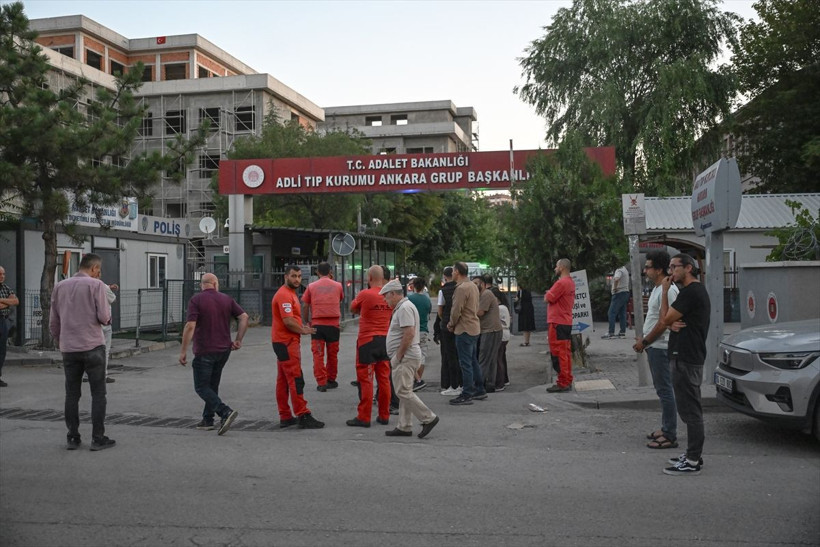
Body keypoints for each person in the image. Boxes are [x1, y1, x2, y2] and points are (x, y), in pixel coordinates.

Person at [640, 253, 710, 476]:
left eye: (674, 267)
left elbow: (665, 320)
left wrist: (668, 321)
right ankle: (691, 455)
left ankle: (692, 459)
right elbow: (666, 319)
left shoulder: (692, 292)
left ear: (688, 268)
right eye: (669, 267)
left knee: (691, 412)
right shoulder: (687, 292)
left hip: (687, 356)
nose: (670, 272)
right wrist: (668, 318)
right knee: (688, 409)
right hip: (682, 355)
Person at [49, 253, 114, 451]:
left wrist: (61, 340)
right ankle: (97, 437)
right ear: (94, 268)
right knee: (98, 393)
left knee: (71, 393)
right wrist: (107, 319)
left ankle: (73, 437)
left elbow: (54, 321)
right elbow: (104, 317)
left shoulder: (59, 286)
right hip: (93, 345)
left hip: (69, 348)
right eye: (98, 270)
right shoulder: (97, 286)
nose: (98, 273)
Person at [179, 273, 248, 435]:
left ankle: (225, 412)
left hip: (205, 350)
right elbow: (244, 317)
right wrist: (238, 339)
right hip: (224, 350)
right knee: (212, 386)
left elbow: (190, 326)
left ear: (201, 285)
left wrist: (183, 350)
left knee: (202, 387)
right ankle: (207, 419)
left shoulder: (196, 300)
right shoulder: (226, 299)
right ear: (215, 284)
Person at [380, 279, 440, 438]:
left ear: (393, 294)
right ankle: (404, 426)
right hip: (409, 355)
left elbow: (409, 334)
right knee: (404, 390)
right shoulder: (405, 306)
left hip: (405, 356)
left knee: (402, 391)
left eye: (386, 297)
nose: (385, 301)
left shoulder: (404, 308)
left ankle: (428, 418)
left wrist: (398, 356)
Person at [632, 251, 679, 449]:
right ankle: (666, 427)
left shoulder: (668, 290)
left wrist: (645, 341)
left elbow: (664, 322)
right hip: (654, 345)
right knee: (662, 390)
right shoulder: (659, 289)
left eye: (648, 267)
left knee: (665, 390)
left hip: (660, 346)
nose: (645, 271)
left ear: (659, 269)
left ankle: (669, 433)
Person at [272, 265, 324, 429]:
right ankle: (303, 414)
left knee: (283, 381)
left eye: (299, 276)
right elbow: (288, 321)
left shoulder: (290, 293)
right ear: (286, 276)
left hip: (283, 342)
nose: (297, 279)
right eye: (293, 276)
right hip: (286, 343)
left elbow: (290, 318)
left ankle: (285, 415)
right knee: (295, 379)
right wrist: (303, 330)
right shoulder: (284, 295)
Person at [347, 265, 393, 427]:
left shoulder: (364, 294)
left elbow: (352, 308)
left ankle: (364, 417)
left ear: (369, 278)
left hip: (367, 341)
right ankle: (384, 415)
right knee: (384, 380)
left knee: (366, 380)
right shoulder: (389, 295)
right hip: (385, 341)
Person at [301, 262, 344, 392]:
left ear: (318, 272)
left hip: (317, 325)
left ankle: (321, 382)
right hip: (333, 325)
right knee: (333, 354)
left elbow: (305, 305)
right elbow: (340, 299)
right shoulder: (338, 286)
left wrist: (307, 321)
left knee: (318, 354)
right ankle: (331, 379)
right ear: (330, 271)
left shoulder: (311, 286)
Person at [447, 261, 485, 405]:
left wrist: (451, 324)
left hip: (464, 329)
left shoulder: (461, 288)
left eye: (452, 271)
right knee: (473, 360)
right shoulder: (473, 286)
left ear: (456, 271)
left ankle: (467, 393)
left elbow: (456, 310)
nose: (452, 273)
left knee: (465, 363)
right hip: (474, 327)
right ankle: (480, 388)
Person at [545, 258, 575, 393]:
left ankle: (562, 382)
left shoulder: (561, 283)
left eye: (556, 266)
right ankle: (567, 379)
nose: (555, 269)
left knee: (558, 353)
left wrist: (548, 293)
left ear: (562, 267)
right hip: (566, 321)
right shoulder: (570, 282)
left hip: (557, 322)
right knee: (566, 352)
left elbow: (548, 298)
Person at [475, 273, 502, 392]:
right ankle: (490, 384)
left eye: (476, 283)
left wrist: (466, 312)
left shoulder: (486, 294)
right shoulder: (481, 294)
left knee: (484, 358)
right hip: (491, 329)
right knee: (490, 359)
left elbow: (480, 312)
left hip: (490, 330)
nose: (474, 286)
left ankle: (478, 386)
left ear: (483, 284)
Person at [437, 267, 462, 396]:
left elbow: (440, 311)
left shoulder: (443, 291)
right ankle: (462, 383)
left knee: (450, 356)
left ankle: (453, 384)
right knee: (461, 355)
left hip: (446, 326)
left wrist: (445, 320)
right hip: (461, 325)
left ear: (445, 276)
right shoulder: (460, 288)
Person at [407, 276, 431, 391]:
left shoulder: (409, 299)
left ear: (413, 286)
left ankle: (413, 379)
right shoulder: (427, 299)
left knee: (410, 356)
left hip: (412, 330)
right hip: (423, 330)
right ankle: (419, 379)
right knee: (422, 357)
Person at [0, 265, 19, 388]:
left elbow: (16, 301)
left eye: (3, 274)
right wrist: (7, 302)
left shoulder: (6, 288)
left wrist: (2, 300)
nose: (2, 277)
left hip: (2, 321)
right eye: (0, 274)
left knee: (1, 350)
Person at [604, 263, 630, 339]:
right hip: (625, 292)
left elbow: (616, 279)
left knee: (611, 312)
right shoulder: (625, 270)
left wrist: (615, 288)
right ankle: (622, 332)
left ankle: (611, 332)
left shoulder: (619, 270)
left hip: (619, 293)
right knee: (622, 313)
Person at [493, 287, 511, 391]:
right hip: (505, 333)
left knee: (498, 359)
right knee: (500, 358)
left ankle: (500, 383)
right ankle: (504, 380)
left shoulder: (500, 308)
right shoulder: (504, 307)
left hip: (501, 334)